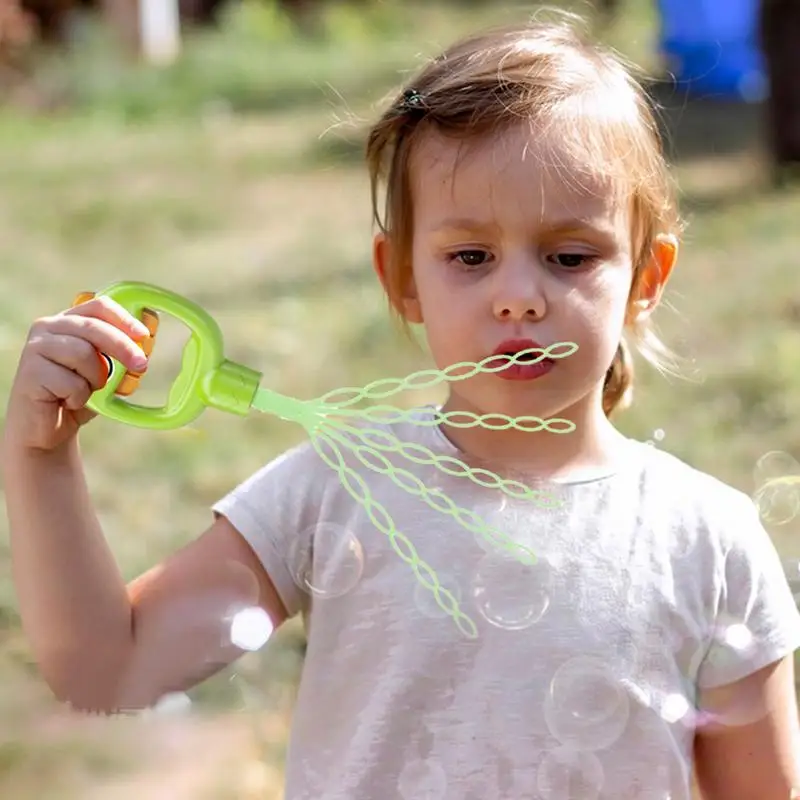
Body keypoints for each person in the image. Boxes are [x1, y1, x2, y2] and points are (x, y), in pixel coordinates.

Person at [4, 12, 800, 800]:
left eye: (569, 256)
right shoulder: (335, 493)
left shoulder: (711, 540)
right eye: (471, 257)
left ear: (647, 278)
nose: (519, 297)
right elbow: (106, 669)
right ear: (403, 280)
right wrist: (41, 459)